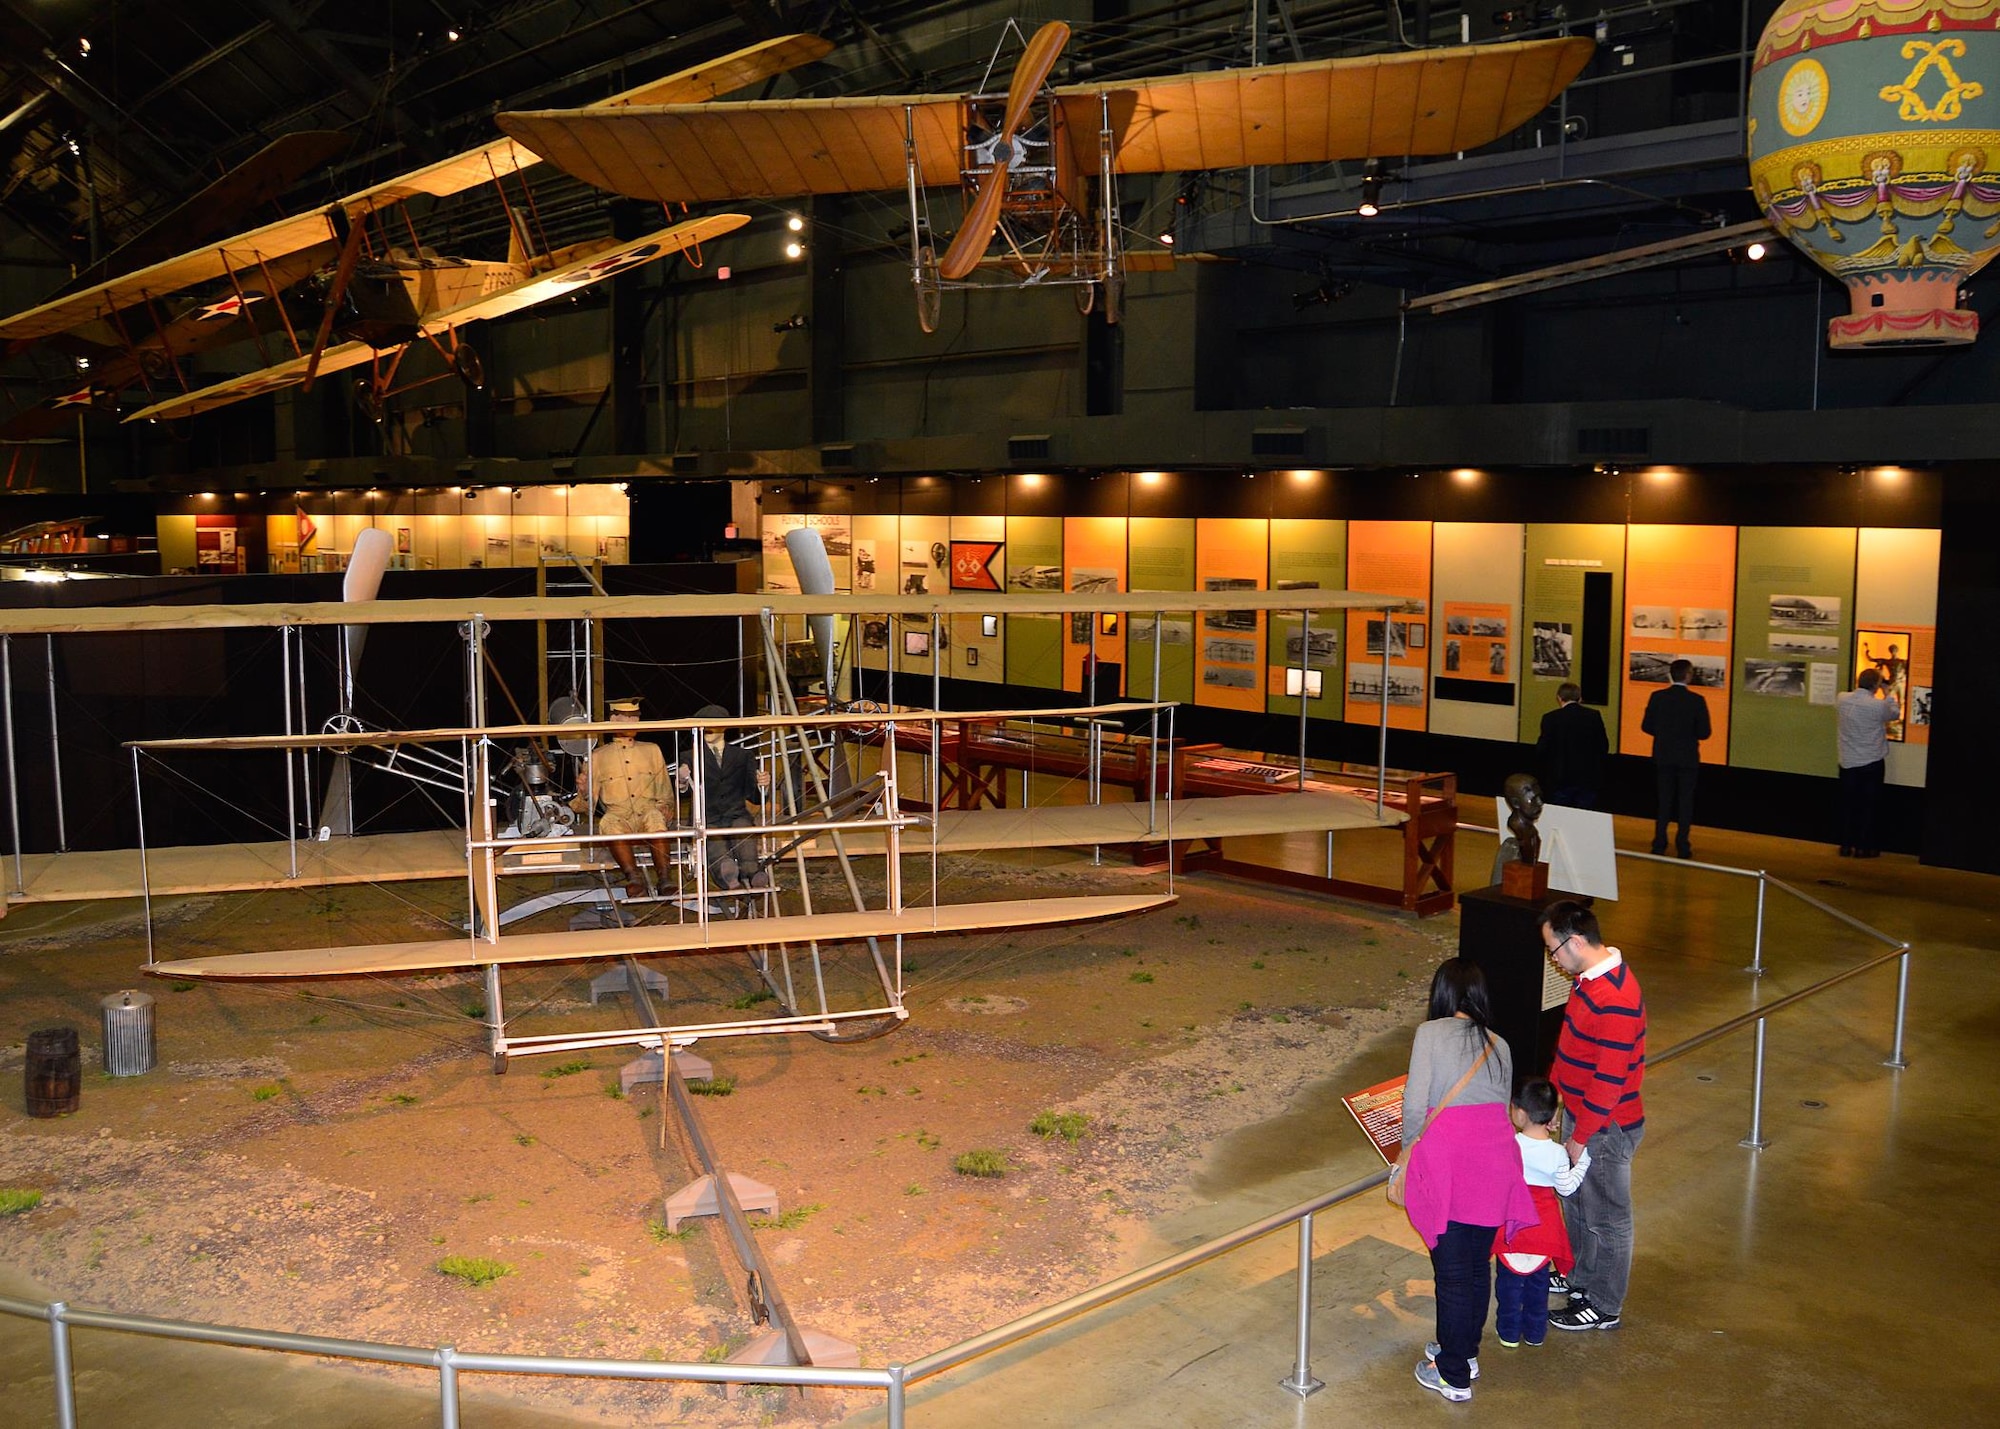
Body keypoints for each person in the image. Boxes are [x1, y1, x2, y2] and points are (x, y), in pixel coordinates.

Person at [1401, 959, 1537, 1402]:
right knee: (1477, 1267)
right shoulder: (1500, 1043)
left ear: (1441, 994)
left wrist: (1405, 1151)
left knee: (1454, 1274)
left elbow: (1415, 1104)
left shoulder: (1430, 1034)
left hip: (1451, 1164)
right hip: (1495, 1163)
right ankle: (1464, 1351)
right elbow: (1500, 1110)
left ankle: (1453, 1375)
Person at [1539, 899, 1647, 1332]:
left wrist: (1581, 1137)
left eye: (1554, 950)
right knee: (1578, 1205)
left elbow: (1609, 1081)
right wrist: (1553, 1100)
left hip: (1605, 1127)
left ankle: (1604, 1302)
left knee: (1607, 1217)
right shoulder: (1588, 980)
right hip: (1582, 1118)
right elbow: (1571, 1047)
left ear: (1577, 941)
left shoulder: (1616, 998)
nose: (1553, 960)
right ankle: (1581, 1276)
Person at [1492, 1078, 1587, 1348]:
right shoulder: (1557, 1153)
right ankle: (1535, 1333)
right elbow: (1566, 1188)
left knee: (1508, 1287)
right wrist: (1582, 1161)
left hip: (1512, 1226)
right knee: (1538, 1286)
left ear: (1520, 1112)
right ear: (1552, 1114)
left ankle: (1508, 1333)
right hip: (1544, 1227)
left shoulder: (1509, 1144)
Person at [580, 698, 676, 899]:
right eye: (628, 717)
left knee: (655, 817)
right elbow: (586, 805)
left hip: (647, 811)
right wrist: (584, 791)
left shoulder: (652, 750)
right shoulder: (598, 756)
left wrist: (665, 807)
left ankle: (665, 879)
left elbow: (665, 790)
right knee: (609, 822)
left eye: (636, 717)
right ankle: (633, 878)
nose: (633, 722)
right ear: (614, 718)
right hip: (618, 814)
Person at [679, 704, 770, 893]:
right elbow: (684, 794)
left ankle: (753, 874)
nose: (708, 731)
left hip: (736, 814)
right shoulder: (689, 756)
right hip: (706, 817)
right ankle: (727, 876)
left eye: (713, 725)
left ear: (724, 727)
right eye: (704, 726)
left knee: (744, 834)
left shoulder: (743, 756)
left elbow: (753, 797)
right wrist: (682, 781)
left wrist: (763, 786)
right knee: (715, 844)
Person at [1640, 658, 1710, 857]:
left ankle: (1659, 843)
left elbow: (1646, 726)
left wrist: (1664, 733)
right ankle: (1683, 844)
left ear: (1670, 674)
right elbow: (1705, 732)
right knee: (1685, 802)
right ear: (1688, 676)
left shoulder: (1657, 697)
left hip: (1663, 755)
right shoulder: (1697, 700)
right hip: (1688, 758)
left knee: (1664, 801)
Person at [1836, 668, 1899, 858]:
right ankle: (1864, 847)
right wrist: (1888, 693)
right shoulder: (1877, 706)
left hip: (1847, 762)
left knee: (1848, 805)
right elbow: (1894, 714)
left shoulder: (1842, 698)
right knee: (1869, 807)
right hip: (1871, 762)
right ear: (1876, 685)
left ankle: (1846, 845)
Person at [1537, 682, 1608, 809]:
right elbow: (1603, 746)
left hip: (1560, 777)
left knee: (1559, 816)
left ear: (1559, 698)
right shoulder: (1593, 716)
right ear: (1580, 698)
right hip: (1588, 776)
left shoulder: (1550, 718)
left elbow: (1542, 748)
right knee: (1583, 815)